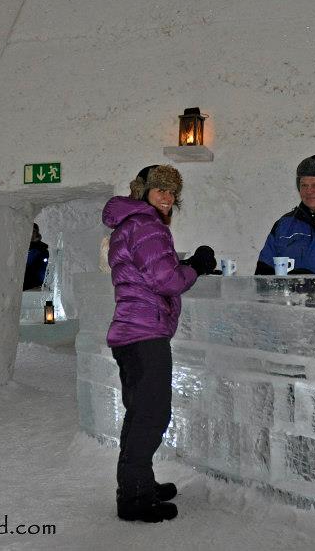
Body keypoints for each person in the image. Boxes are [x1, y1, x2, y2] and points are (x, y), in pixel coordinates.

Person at [103, 164, 216, 523]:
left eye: (172, 192)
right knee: (151, 415)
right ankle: (134, 498)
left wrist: (186, 264)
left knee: (140, 414)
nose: (167, 197)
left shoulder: (132, 223)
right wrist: (196, 267)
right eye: (160, 190)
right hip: (144, 334)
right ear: (143, 191)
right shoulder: (146, 224)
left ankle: (139, 483)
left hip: (132, 332)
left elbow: (151, 271)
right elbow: (166, 280)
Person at [23, 223, 51, 290]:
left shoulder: (42, 249)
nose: (31, 233)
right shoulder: (21, 247)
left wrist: (41, 284)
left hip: (34, 286)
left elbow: (43, 269)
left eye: (33, 231)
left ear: (36, 233)